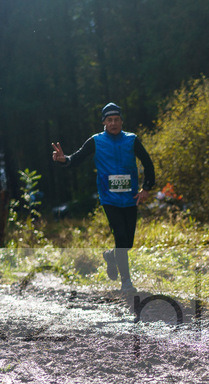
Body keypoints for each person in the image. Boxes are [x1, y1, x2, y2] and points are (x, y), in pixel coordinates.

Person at [51, 102, 156, 299]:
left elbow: (148, 163)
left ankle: (110, 255)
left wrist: (146, 188)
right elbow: (77, 158)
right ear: (104, 122)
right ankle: (126, 282)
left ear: (122, 121)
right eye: (110, 120)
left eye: (117, 120)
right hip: (109, 199)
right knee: (120, 237)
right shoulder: (96, 141)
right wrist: (64, 159)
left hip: (131, 197)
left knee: (128, 242)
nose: (114, 123)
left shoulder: (132, 140)